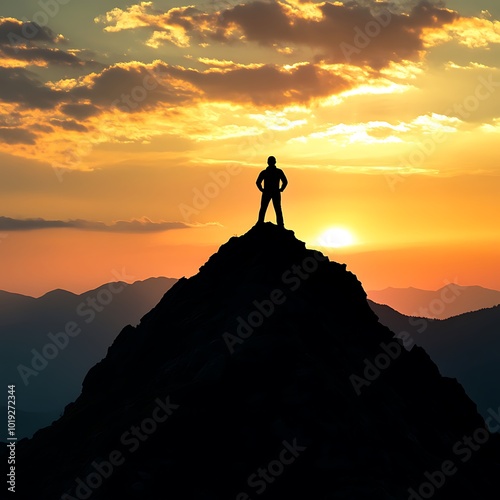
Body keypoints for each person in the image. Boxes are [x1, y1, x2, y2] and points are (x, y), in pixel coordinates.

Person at [256, 156, 288, 227]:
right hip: (274, 192)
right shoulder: (278, 172)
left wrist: (262, 189)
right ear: (275, 162)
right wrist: (281, 189)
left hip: (269, 192)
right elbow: (285, 181)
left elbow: (258, 182)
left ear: (268, 162)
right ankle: (280, 224)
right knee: (275, 208)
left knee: (267, 208)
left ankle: (261, 222)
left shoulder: (265, 172)